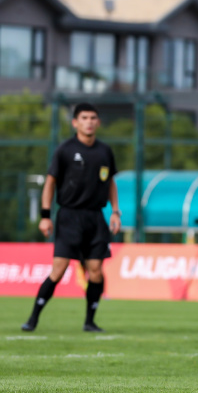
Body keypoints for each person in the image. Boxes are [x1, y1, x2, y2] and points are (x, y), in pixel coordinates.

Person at [22, 103, 120, 333]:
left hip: (95, 217)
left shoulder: (105, 151)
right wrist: (45, 215)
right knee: (59, 269)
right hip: (69, 216)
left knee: (96, 270)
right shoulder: (65, 150)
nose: (89, 122)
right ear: (75, 122)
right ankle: (33, 318)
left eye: (93, 118)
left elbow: (110, 183)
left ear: (98, 122)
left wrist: (115, 211)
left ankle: (90, 322)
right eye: (84, 118)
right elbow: (50, 183)